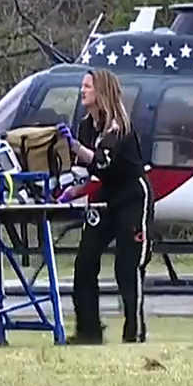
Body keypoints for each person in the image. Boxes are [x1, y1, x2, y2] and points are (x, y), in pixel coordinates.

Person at [57, 68, 155, 344]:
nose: (82, 90)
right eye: (82, 86)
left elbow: (101, 161)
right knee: (85, 262)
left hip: (132, 197)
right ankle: (89, 331)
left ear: (101, 92)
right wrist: (70, 190)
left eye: (88, 86)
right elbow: (87, 172)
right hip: (102, 197)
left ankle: (134, 330)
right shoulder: (87, 125)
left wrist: (74, 146)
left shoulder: (119, 127)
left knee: (127, 267)